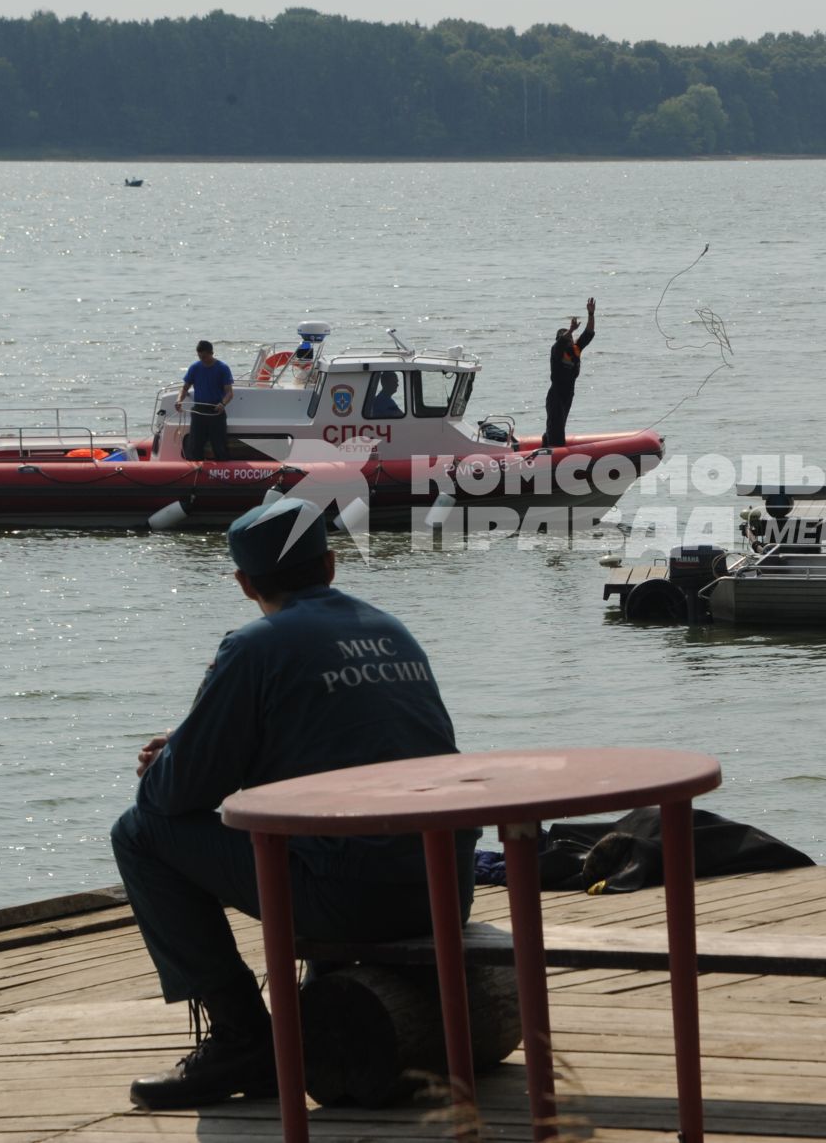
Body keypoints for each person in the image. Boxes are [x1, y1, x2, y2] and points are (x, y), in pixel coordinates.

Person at [111, 496, 477, 1109]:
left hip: (355, 899)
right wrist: (200, 741)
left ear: (244, 582)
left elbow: (174, 794)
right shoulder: (391, 629)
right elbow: (331, 737)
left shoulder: (253, 647)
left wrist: (173, 755)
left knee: (140, 833)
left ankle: (243, 1038)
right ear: (331, 567)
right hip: (444, 888)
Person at [541, 296, 596, 449]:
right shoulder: (556, 351)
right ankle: (550, 454)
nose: (568, 341)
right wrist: (570, 329)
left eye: (570, 338)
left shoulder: (576, 349)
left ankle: (546, 443)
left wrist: (591, 314)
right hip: (556, 394)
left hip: (568, 393)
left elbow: (589, 332)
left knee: (558, 426)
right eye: (565, 338)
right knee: (556, 429)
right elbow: (560, 343)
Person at [176, 341, 234, 461]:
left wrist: (222, 404)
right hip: (199, 411)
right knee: (195, 446)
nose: (202, 359)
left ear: (211, 353)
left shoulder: (222, 368)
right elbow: (184, 387)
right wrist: (179, 400)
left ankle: (223, 469)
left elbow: (229, 392)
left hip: (216, 411)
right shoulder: (195, 367)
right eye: (200, 357)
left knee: (219, 446)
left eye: (205, 357)